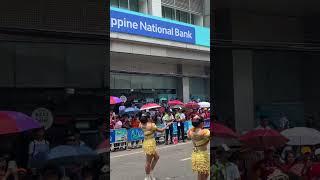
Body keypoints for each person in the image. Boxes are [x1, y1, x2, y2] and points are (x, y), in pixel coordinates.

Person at [139, 113, 167, 180]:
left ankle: (150, 172)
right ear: (148, 119)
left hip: (146, 142)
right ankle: (147, 176)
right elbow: (161, 130)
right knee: (148, 161)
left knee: (157, 157)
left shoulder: (140, 125)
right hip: (150, 143)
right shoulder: (152, 125)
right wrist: (166, 126)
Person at [187, 115, 210, 180]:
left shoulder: (191, 131)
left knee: (206, 173)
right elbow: (208, 136)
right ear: (201, 123)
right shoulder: (204, 131)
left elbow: (189, 136)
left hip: (197, 154)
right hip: (201, 155)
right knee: (201, 176)